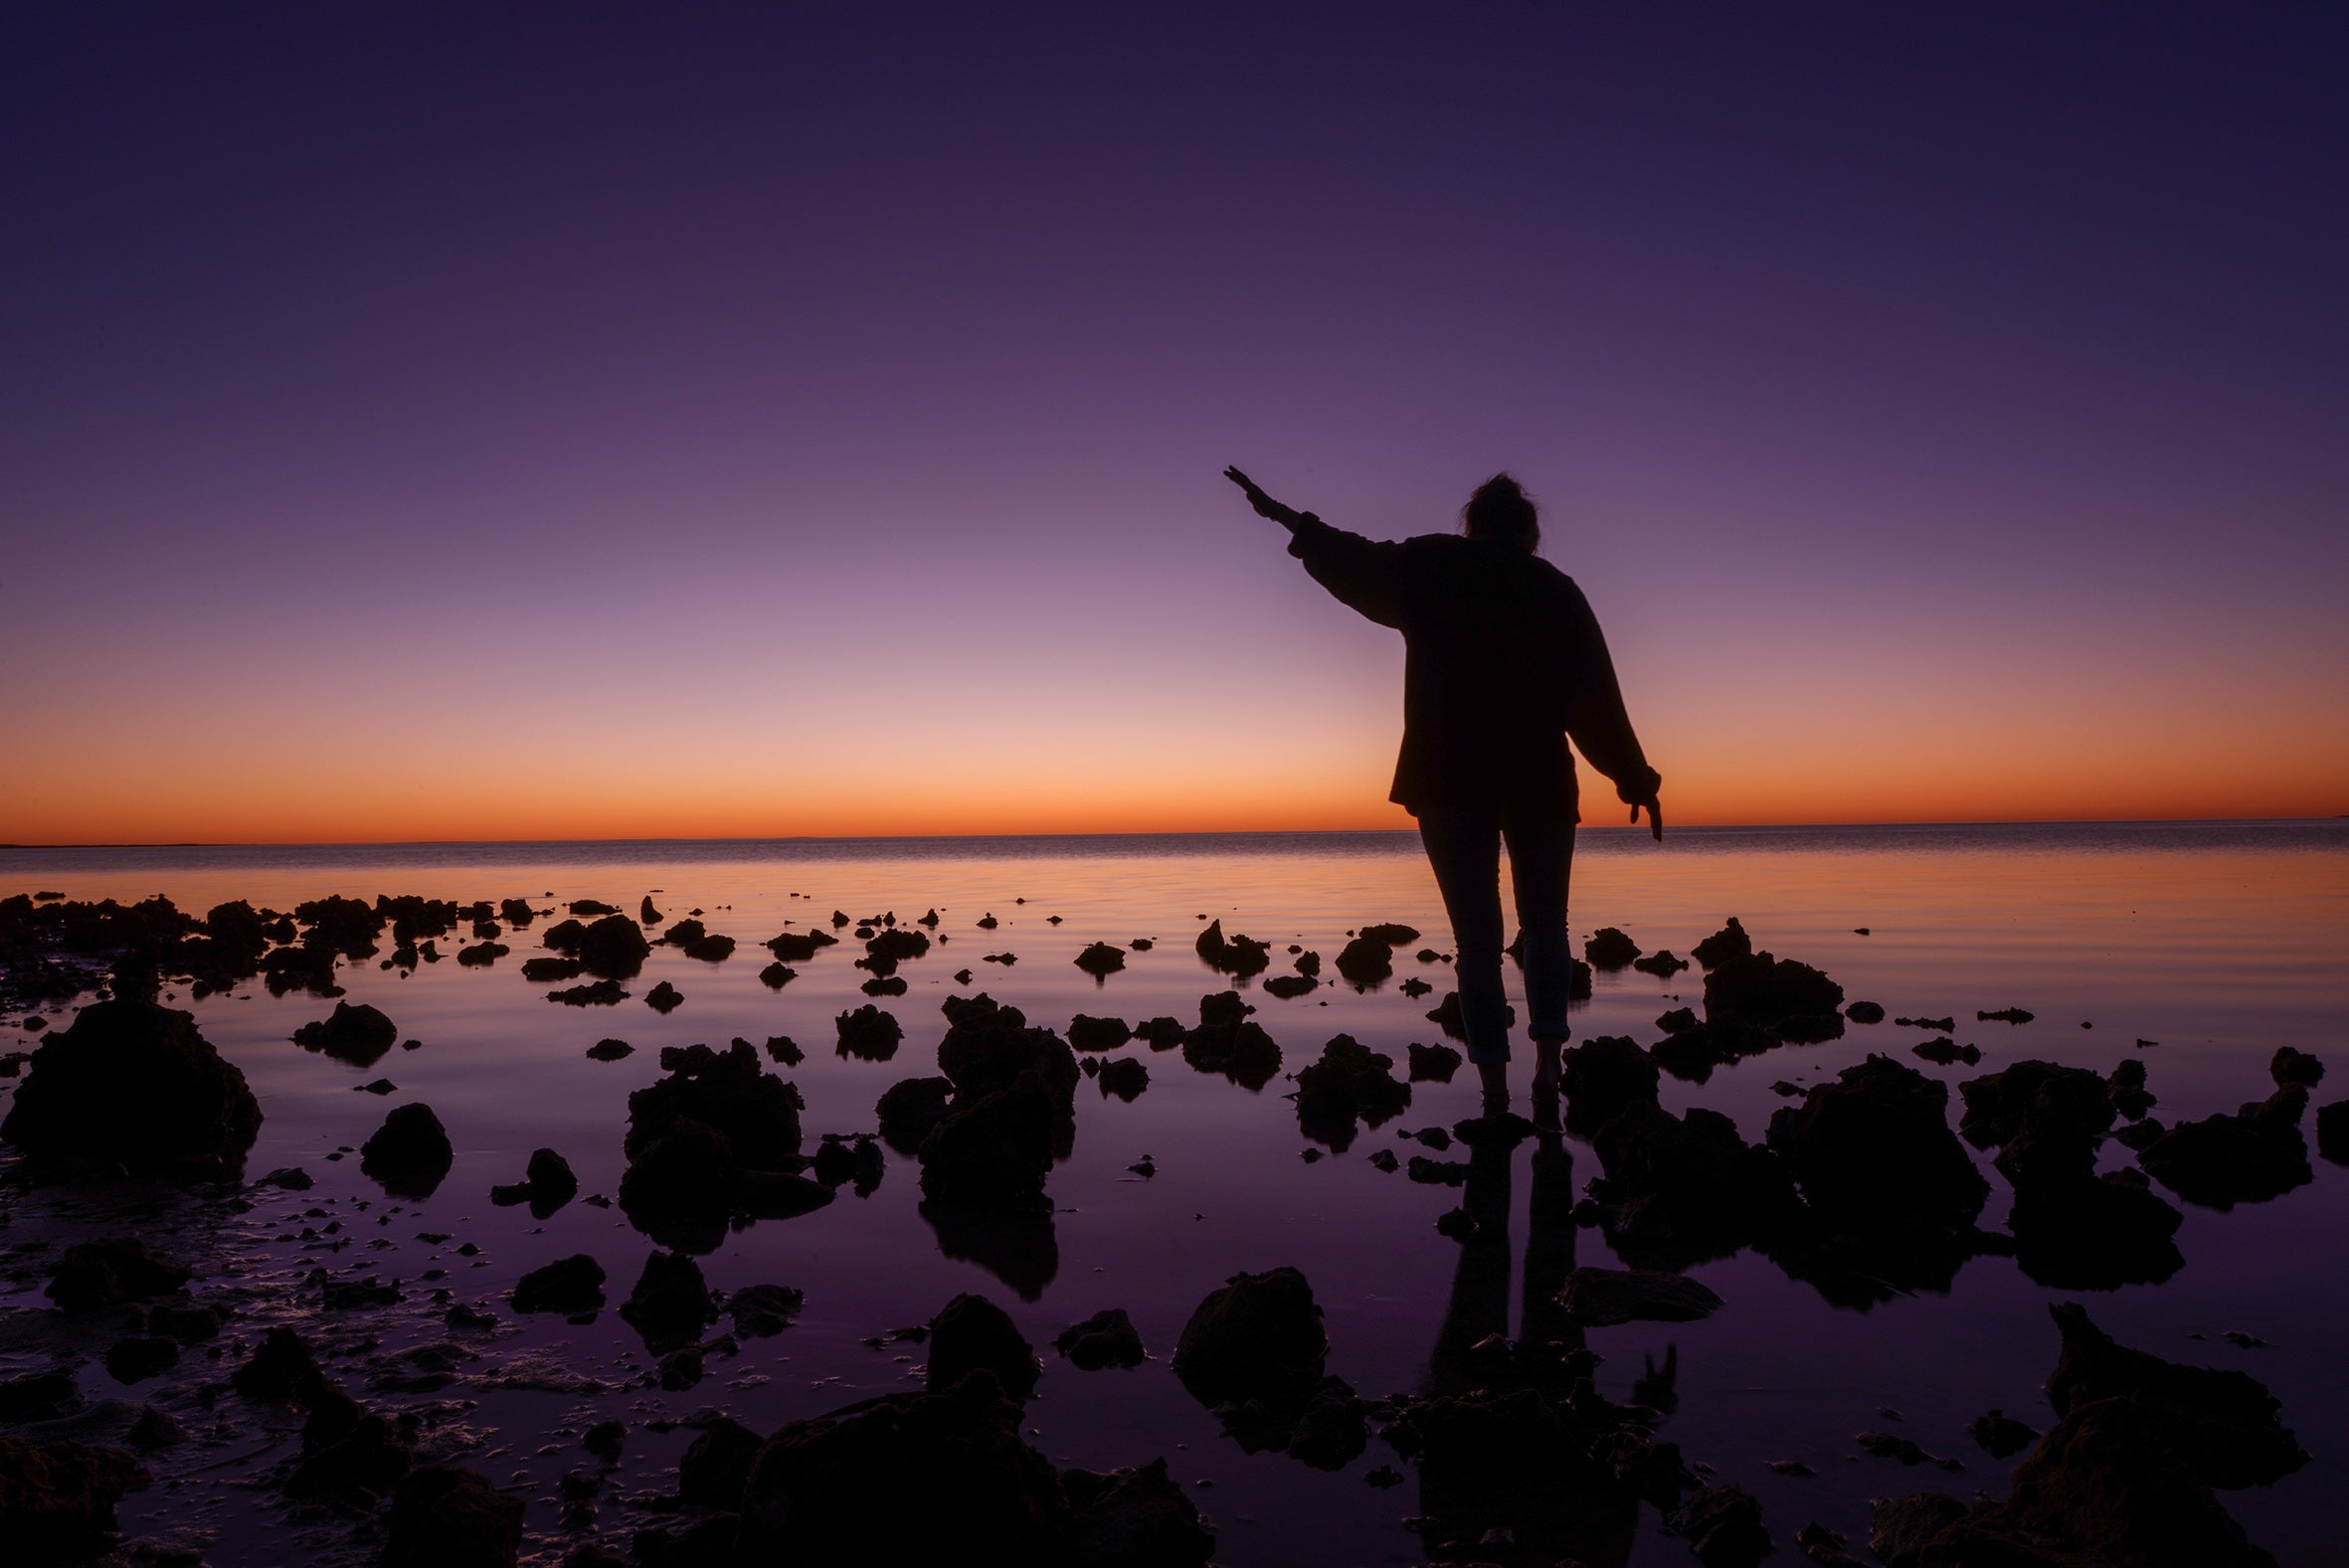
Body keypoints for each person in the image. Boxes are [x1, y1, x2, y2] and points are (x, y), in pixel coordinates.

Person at [1225, 466, 1662, 1116]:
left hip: (1447, 776)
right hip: (1537, 777)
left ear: (1473, 523)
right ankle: (1548, 1066)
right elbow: (1594, 696)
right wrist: (1634, 777)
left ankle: (1493, 1092)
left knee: (1477, 945)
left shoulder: (1432, 566)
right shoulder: (1553, 589)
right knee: (1546, 926)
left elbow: (1352, 557)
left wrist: (1286, 517)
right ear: (1529, 532)